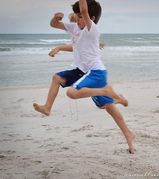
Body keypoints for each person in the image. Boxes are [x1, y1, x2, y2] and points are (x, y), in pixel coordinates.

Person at [33, 0, 135, 154]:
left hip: (95, 72)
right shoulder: (76, 29)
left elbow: (84, 10)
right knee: (57, 78)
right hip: (82, 71)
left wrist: (83, 9)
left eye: (80, 16)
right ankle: (47, 108)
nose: (77, 19)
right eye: (76, 16)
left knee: (79, 96)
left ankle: (111, 96)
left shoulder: (91, 29)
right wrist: (56, 18)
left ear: (90, 18)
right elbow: (54, 25)